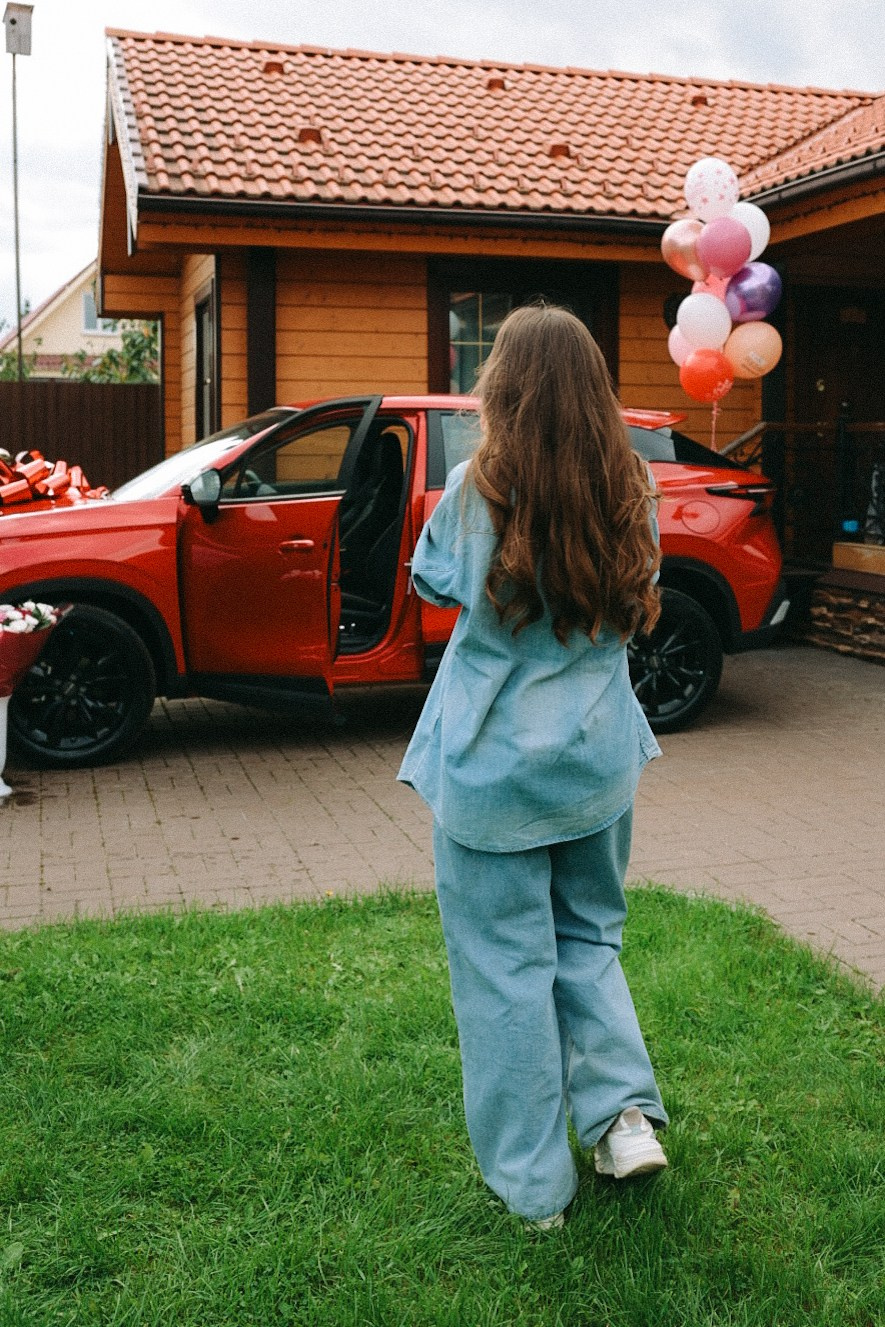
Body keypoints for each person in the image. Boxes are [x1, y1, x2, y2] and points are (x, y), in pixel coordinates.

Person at [397, 303, 668, 1228]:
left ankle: (534, 1185)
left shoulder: (476, 487)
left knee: (504, 969)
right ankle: (622, 1118)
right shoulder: (633, 483)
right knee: (589, 941)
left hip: (491, 771)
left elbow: (433, 579)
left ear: (501, 388)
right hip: (595, 762)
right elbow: (640, 588)